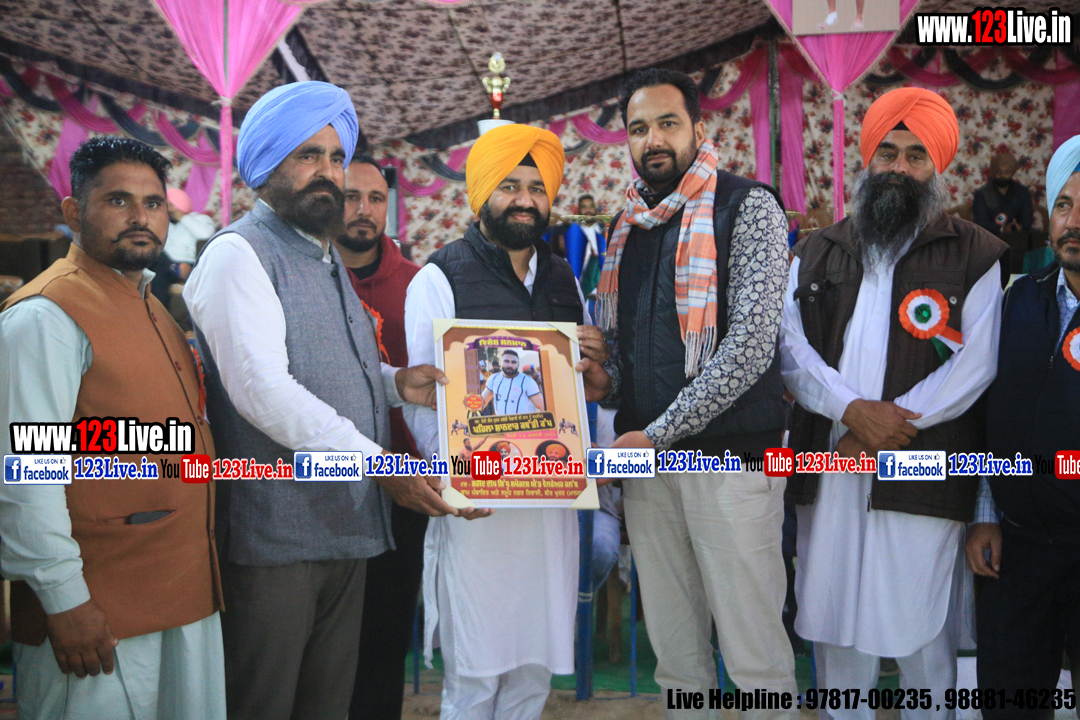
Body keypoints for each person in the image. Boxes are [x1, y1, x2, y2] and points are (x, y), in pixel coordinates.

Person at [183, 81, 457, 720]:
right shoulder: (238, 254)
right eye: (308, 155)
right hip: (275, 539)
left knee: (327, 705)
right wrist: (380, 464)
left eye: (336, 157)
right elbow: (262, 390)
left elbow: (327, 367)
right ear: (266, 164)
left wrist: (395, 383)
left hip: (345, 531)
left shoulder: (323, 253)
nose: (328, 172)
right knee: (264, 703)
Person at [781, 87, 1008, 720]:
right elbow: (790, 349)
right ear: (867, 158)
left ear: (938, 166)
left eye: (915, 155)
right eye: (888, 153)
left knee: (920, 635)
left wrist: (885, 426)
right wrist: (851, 411)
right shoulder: (815, 250)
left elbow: (976, 365)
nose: (899, 168)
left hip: (922, 471)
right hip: (831, 469)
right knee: (835, 632)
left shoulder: (977, 253)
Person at [597, 68, 798, 718]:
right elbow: (629, 357)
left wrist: (657, 435)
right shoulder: (626, 229)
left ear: (699, 128)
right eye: (638, 128)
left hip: (730, 464)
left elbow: (750, 349)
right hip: (651, 471)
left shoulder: (750, 206)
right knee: (678, 659)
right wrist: (602, 380)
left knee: (755, 657)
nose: (652, 139)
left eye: (667, 123)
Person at [0, 136, 222, 719]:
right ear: (74, 212)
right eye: (118, 201)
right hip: (97, 614)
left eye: (153, 203)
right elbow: (26, 473)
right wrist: (64, 600)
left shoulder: (151, 307)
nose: (140, 217)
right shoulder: (45, 316)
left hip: (180, 595)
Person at [404, 122, 611, 720]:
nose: (525, 199)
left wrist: (594, 369)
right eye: (510, 186)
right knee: (475, 674)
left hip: (550, 503)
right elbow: (423, 397)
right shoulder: (439, 277)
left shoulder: (562, 277)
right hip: (478, 506)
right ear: (482, 193)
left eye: (537, 188)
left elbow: (577, 388)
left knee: (532, 671)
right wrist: (451, 482)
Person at [966, 135, 1080, 716]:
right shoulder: (1016, 302)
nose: (1074, 222)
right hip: (1017, 552)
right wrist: (986, 513)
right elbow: (994, 417)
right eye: (1064, 205)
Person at [332, 153, 429, 720]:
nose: (363, 210)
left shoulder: (420, 285)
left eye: (375, 198)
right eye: (351, 196)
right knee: (326, 644)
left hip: (404, 489)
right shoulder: (306, 279)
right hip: (325, 485)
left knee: (386, 639)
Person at [972, 151, 1035, 237]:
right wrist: (1001, 229)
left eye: (1007, 172)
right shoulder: (982, 194)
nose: (1002, 176)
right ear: (993, 172)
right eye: (999, 172)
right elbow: (980, 223)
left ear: (1012, 172)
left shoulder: (1022, 192)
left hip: (1018, 238)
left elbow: (1028, 219)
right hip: (990, 238)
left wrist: (1019, 227)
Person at [482, 348, 545, 415]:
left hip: (522, 421)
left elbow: (542, 406)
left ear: (518, 364)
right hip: (500, 421)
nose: (510, 365)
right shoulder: (493, 379)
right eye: (506, 361)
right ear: (500, 362)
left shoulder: (527, 381)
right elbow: (481, 403)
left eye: (513, 362)